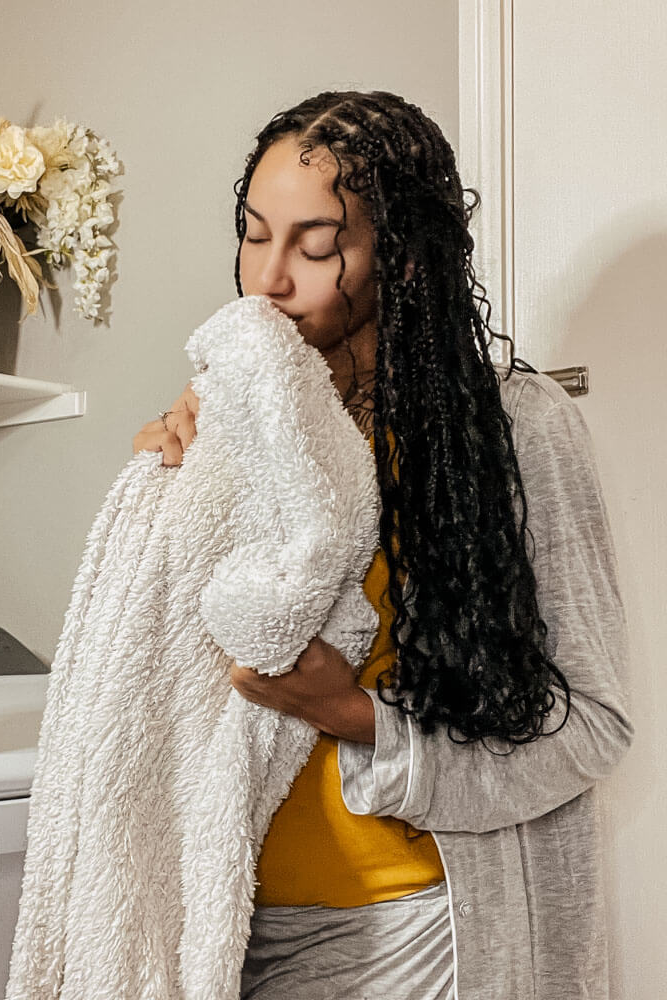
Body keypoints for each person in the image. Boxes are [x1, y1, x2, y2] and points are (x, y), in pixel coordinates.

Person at [131, 91, 633, 1000]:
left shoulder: (515, 428)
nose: (268, 280)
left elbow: (593, 724)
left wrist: (358, 718)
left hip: (418, 933)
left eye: (316, 247)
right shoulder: (243, 421)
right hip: (230, 931)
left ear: (400, 260)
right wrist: (174, 489)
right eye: (253, 234)